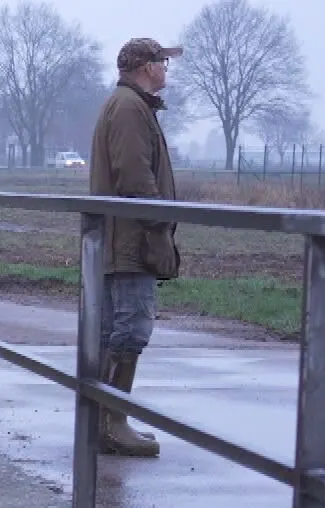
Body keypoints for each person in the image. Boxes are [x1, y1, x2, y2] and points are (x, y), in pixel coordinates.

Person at [90, 37, 184, 458]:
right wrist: (160, 221)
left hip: (122, 237)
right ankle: (111, 422)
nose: (167, 69)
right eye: (164, 62)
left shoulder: (128, 104)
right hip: (130, 240)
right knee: (131, 331)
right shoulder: (129, 108)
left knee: (117, 331)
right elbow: (133, 176)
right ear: (147, 67)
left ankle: (106, 420)